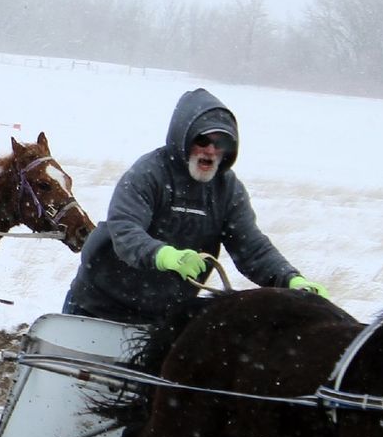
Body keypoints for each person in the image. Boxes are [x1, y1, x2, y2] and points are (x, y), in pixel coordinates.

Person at [62, 87, 326, 324]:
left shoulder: (228, 190)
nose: (210, 150)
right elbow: (125, 231)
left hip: (161, 316)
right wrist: (165, 256)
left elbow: (252, 249)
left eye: (220, 143)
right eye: (202, 140)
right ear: (184, 139)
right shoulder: (148, 174)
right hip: (96, 306)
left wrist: (291, 280)